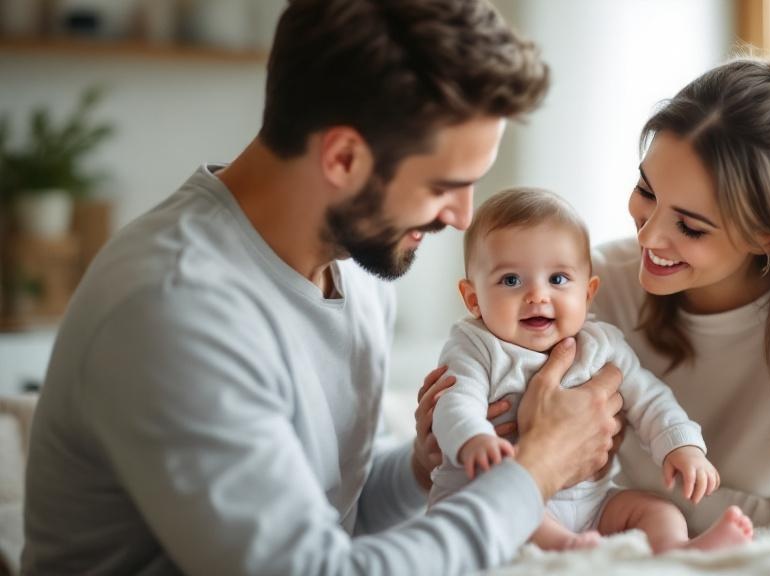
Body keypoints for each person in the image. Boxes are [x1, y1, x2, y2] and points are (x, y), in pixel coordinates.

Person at [21, 1, 624, 574]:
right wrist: (536, 472)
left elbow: (338, 516)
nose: (462, 217)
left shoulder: (359, 268)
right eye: (444, 185)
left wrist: (420, 466)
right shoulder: (172, 308)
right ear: (342, 158)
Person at [426, 32, 770, 537]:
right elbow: (486, 464)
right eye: (645, 190)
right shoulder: (584, 289)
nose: (649, 235)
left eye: (691, 226)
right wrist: (433, 456)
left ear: (768, 233)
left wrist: (582, 470)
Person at [427, 187, 753, 553]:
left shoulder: (601, 344)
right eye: (511, 281)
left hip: (592, 501)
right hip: (503, 494)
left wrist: (683, 447)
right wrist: (474, 439)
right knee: (527, 519)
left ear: (588, 293)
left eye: (558, 279)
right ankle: (569, 549)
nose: (538, 296)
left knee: (657, 509)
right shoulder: (476, 346)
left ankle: (677, 548)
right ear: (473, 299)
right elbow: (455, 401)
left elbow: (649, 398)